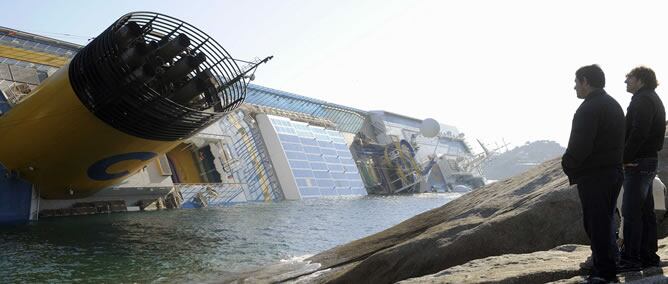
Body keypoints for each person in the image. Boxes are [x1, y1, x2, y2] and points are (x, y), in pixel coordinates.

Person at [562, 64, 625, 283]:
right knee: (604, 221)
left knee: (596, 224)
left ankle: (604, 272)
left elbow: (580, 146)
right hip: (614, 172)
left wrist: (567, 165)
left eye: (576, 82)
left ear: (586, 81)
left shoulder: (589, 108)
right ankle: (605, 266)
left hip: (596, 176)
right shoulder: (613, 104)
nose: (574, 87)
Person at [618, 66, 666, 272]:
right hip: (646, 161)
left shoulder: (643, 100)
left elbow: (639, 131)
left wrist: (624, 158)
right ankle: (648, 256)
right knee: (645, 212)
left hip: (638, 163)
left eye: (629, 78)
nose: (626, 82)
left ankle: (630, 259)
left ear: (641, 80)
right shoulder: (651, 97)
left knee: (630, 213)